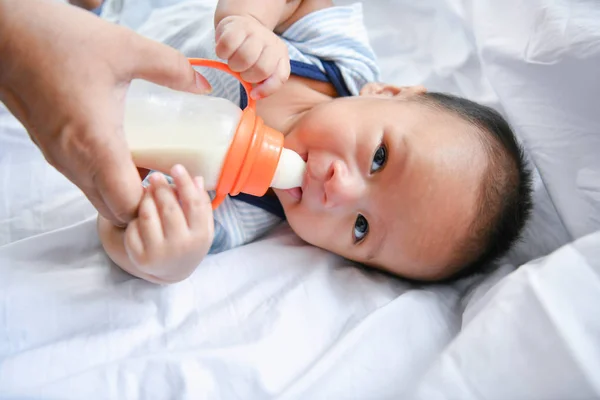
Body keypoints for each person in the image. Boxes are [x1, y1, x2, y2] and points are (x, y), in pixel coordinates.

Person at [97, 0, 533, 284]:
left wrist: (163, 259)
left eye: (360, 228)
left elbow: (119, 213)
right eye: (380, 158)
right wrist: (248, 20)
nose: (338, 191)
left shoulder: (235, 210)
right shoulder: (335, 59)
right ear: (386, 92)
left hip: (89, 75)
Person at [0, 0, 212, 227]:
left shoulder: (235, 197)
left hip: (109, 80)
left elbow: (123, 210)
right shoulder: (251, 30)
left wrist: (165, 247)